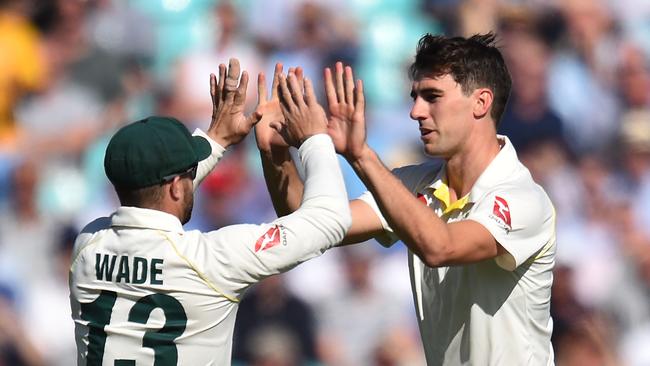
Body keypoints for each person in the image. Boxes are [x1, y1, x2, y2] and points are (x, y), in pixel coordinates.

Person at [257, 33, 556, 365]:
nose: (415, 112)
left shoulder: (522, 197)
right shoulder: (414, 183)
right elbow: (308, 221)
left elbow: (440, 247)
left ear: (481, 102)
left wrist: (361, 155)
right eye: (415, 97)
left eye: (432, 96)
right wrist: (276, 153)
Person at [68, 58, 351, 365]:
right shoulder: (213, 260)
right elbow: (330, 219)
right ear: (177, 186)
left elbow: (156, 195)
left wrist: (217, 139)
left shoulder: (88, 246)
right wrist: (315, 137)